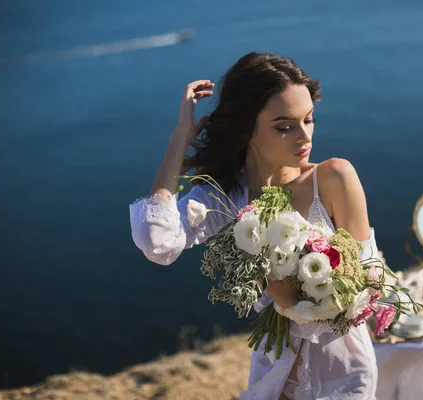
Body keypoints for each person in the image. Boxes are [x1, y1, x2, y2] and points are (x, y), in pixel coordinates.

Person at [129, 52, 381, 399]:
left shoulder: (334, 178)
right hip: (274, 369)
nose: (304, 136)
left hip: (344, 371)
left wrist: (295, 297)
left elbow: (372, 278)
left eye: (309, 119)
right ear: (248, 128)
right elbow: (155, 241)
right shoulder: (223, 198)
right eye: (284, 126)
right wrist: (180, 138)